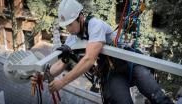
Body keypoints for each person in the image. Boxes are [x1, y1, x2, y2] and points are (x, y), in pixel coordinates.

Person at [37, 0, 174, 103]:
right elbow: (62, 63)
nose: (68, 29)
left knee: (158, 96)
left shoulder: (95, 25)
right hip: (112, 72)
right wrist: (42, 76)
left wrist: (62, 82)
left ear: (81, 17)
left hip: (130, 63)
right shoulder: (72, 40)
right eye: (66, 26)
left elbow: (89, 59)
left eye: (70, 24)